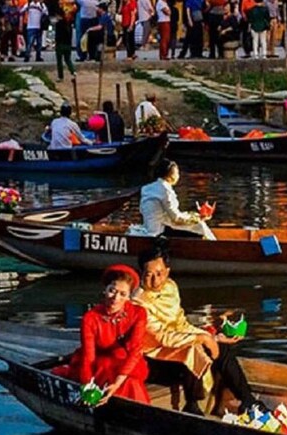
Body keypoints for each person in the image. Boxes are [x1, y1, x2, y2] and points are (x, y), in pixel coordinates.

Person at [133, 244, 265, 415]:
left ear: (167, 271)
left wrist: (212, 336)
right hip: (154, 358)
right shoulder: (138, 301)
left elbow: (181, 324)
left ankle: (248, 400)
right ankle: (192, 405)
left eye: (160, 273)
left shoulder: (170, 287)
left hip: (177, 347)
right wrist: (204, 339)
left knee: (222, 349)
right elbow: (162, 337)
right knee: (193, 348)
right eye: (149, 275)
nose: (155, 280)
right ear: (141, 273)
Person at [53, 265, 151, 405]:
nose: (116, 298)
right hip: (99, 363)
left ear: (129, 296)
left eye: (122, 294)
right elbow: (89, 356)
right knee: (106, 372)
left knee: (131, 381)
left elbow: (135, 350)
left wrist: (117, 384)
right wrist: (87, 385)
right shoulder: (91, 318)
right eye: (112, 291)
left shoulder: (138, 313)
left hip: (127, 362)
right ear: (105, 290)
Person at [138, 159, 215, 239]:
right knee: (200, 225)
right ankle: (215, 248)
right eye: (177, 173)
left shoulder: (146, 188)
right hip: (159, 231)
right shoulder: (165, 190)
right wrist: (197, 218)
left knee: (196, 224)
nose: (178, 175)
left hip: (149, 227)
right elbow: (176, 218)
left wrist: (194, 216)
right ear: (171, 175)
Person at [52, 12, 75, 81]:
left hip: (60, 44)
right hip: (68, 44)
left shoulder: (58, 24)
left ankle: (60, 76)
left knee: (59, 61)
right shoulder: (69, 24)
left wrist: (55, 43)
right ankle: (73, 71)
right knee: (68, 60)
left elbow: (57, 35)